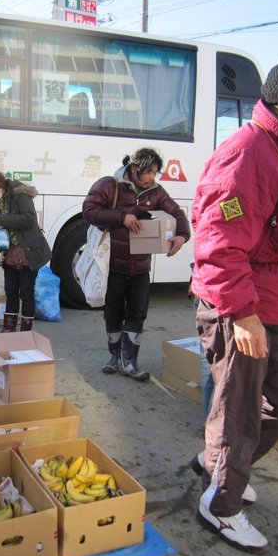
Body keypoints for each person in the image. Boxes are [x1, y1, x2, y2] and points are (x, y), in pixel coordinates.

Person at [190, 54, 278, 552]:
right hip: (242, 306)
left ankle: (220, 466)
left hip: (274, 300)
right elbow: (218, 245)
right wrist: (242, 314)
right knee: (238, 412)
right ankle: (222, 505)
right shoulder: (249, 153)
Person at [82, 148, 190, 382]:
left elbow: (177, 213)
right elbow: (89, 211)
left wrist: (182, 235)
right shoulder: (110, 185)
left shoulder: (156, 192)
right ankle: (115, 357)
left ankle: (130, 361)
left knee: (138, 312)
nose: (152, 177)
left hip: (140, 266)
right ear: (134, 168)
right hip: (113, 264)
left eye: (155, 172)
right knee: (113, 311)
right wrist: (121, 217)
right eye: (148, 172)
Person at [0, 169, 52, 332]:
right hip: (10, 253)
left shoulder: (20, 193)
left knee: (26, 292)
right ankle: (8, 329)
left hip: (30, 251)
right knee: (10, 291)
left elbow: (29, 219)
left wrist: (0, 219)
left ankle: (26, 331)